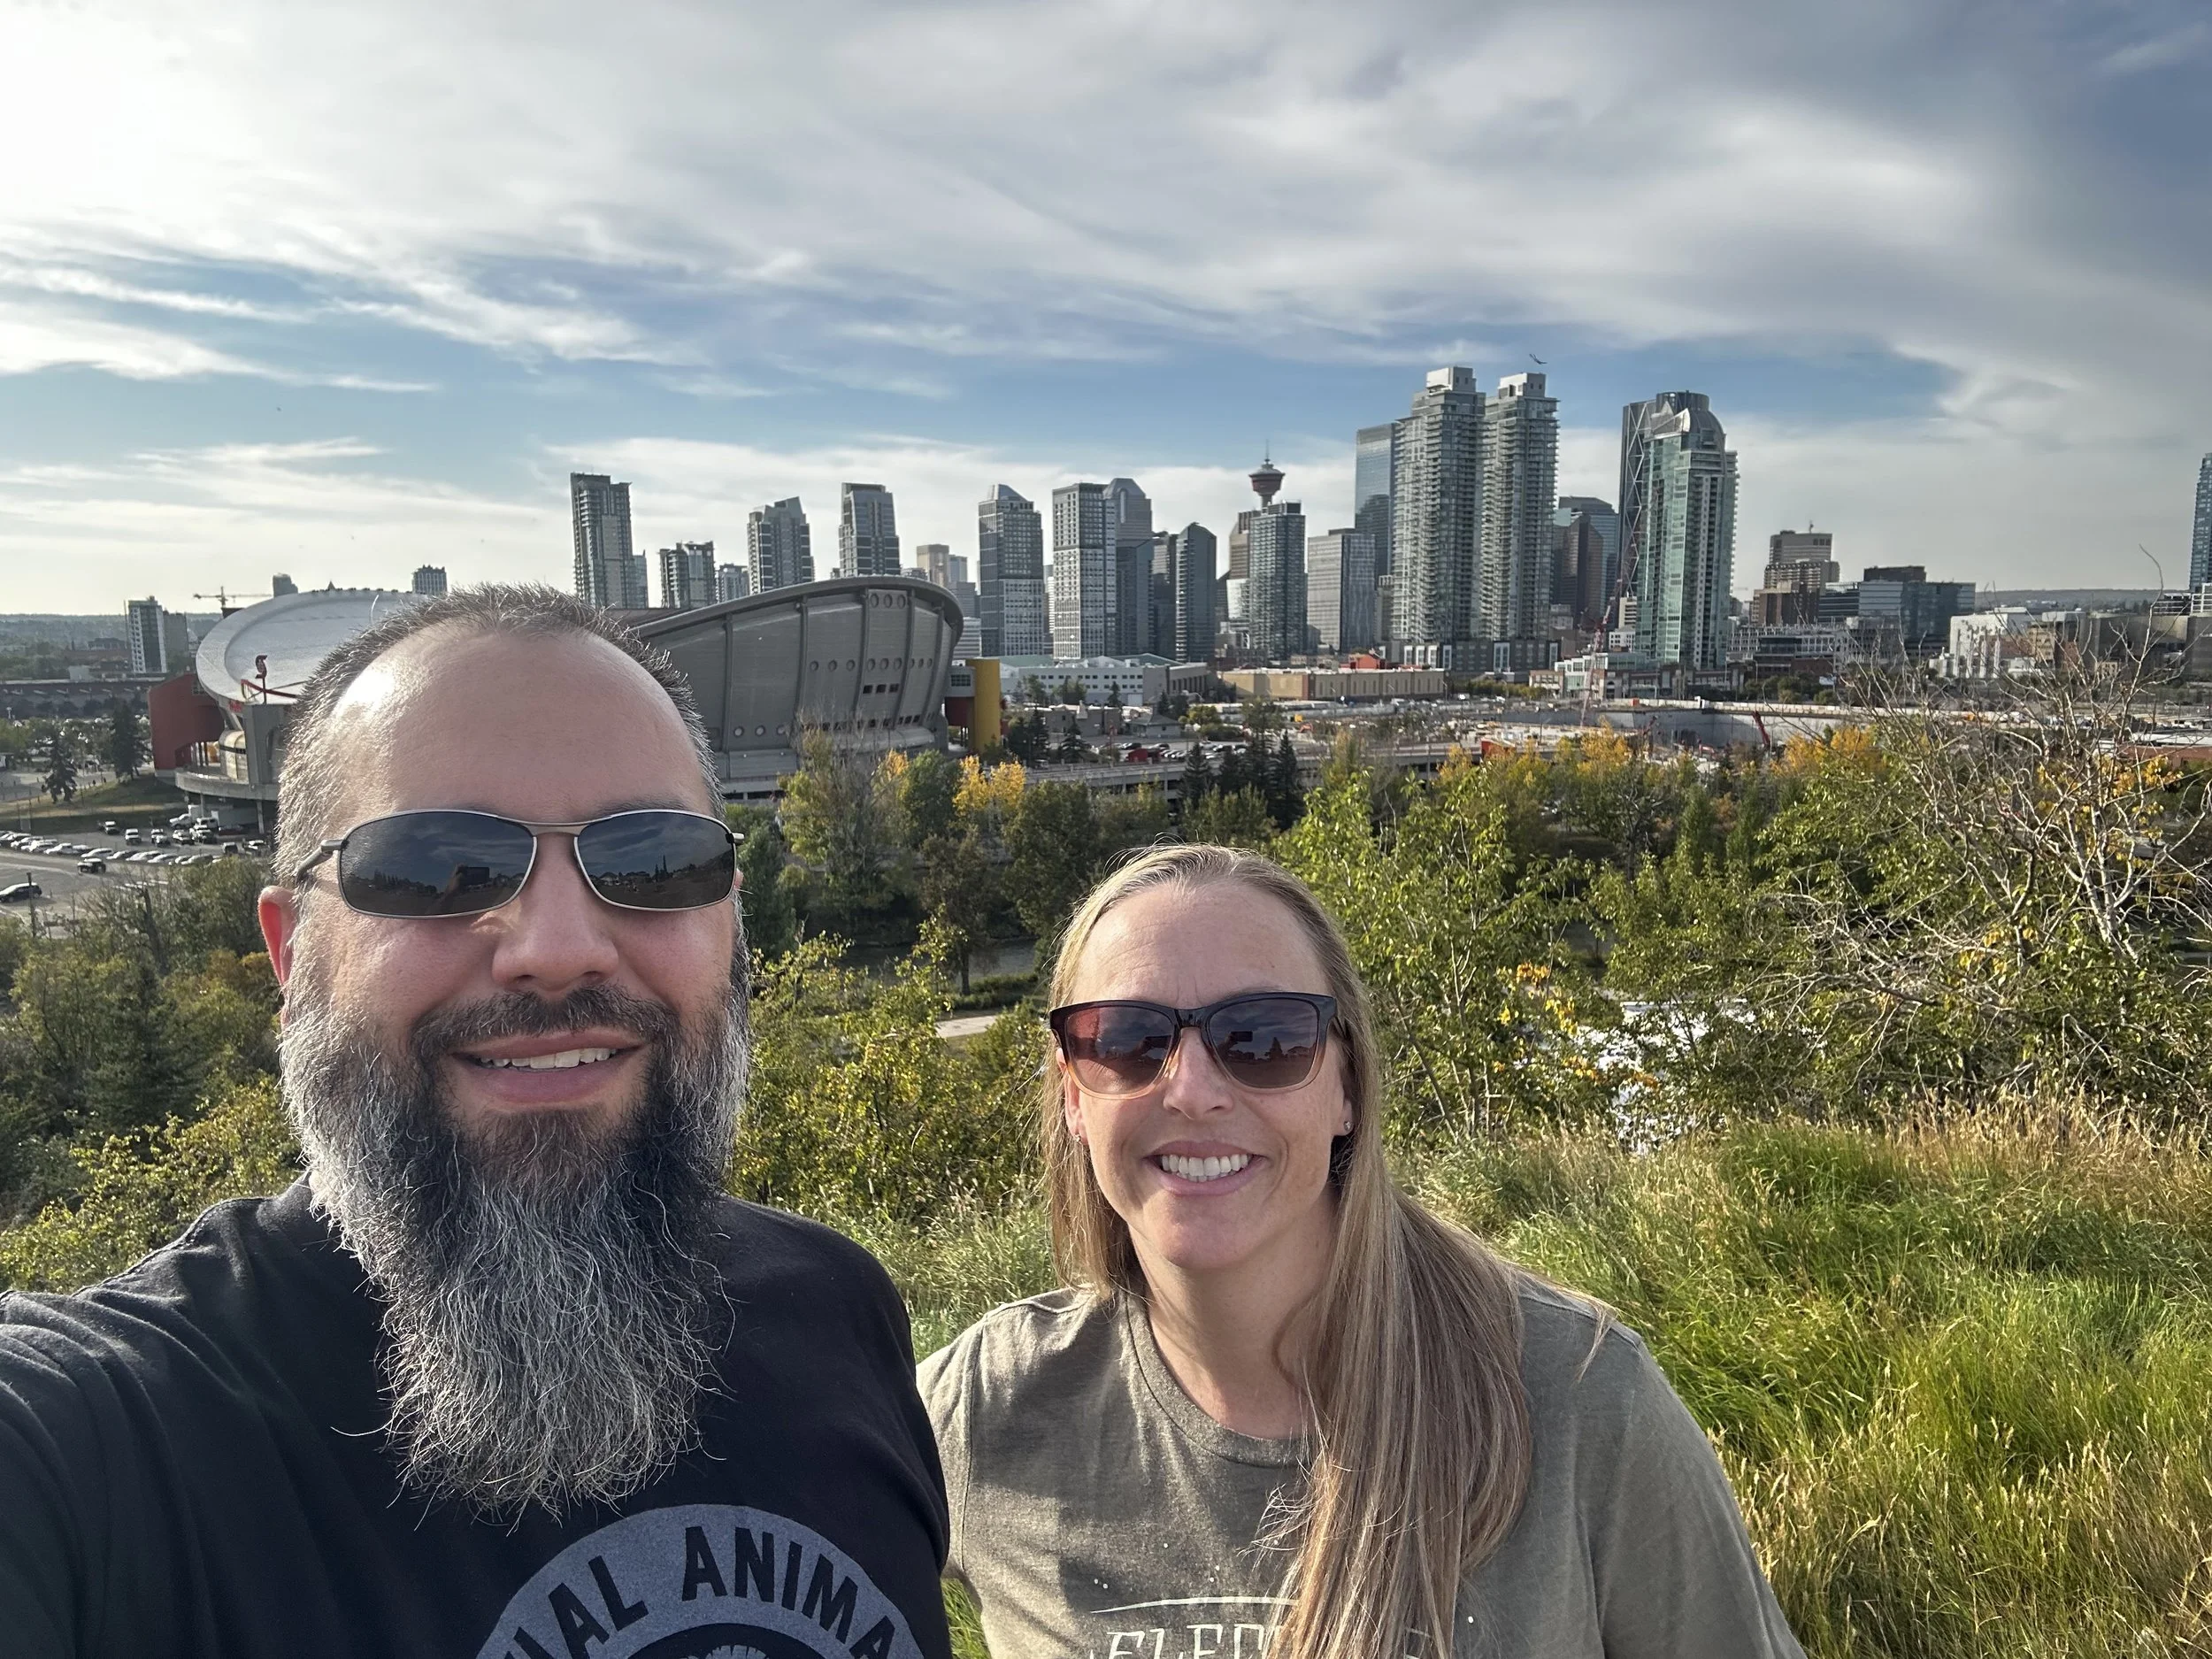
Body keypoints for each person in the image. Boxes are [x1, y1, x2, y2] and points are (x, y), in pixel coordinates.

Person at [0, 587, 953, 1659]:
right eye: (432, 868)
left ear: (730, 923)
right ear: (292, 953)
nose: (558, 948)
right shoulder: (97, 1441)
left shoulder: (841, 1309)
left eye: (654, 859)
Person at [920, 844, 1803, 1659]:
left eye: (1264, 1038)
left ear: (1346, 1085)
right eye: (1126, 1039)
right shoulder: (990, 1410)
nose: (1190, 1090)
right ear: (1074, 1096)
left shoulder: (1576, 1399)